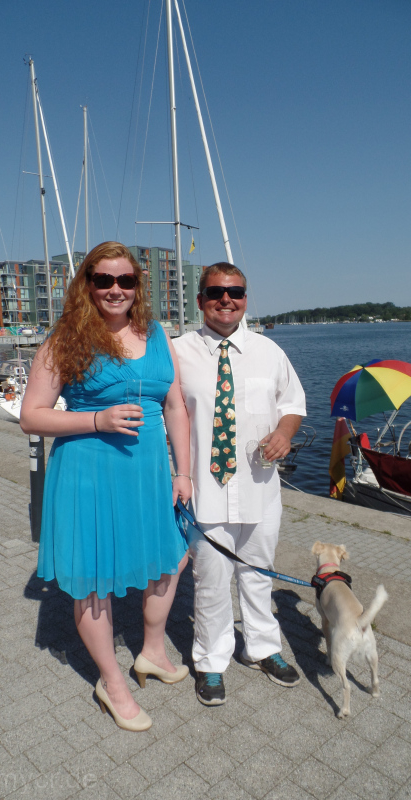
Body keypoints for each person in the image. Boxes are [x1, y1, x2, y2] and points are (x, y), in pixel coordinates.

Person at [21, 241, 192, 731]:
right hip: (88, 474)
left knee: (171, 557)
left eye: (126, 280)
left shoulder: (157, 334)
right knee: (94, 580)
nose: (116, 289)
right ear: (88, 285)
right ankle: (111, 682)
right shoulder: (66, 338)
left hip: (148, 475)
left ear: (138, 285)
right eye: (104, 280)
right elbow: (31, 416)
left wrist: (183, 472)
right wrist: (97, 419)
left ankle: (152, 651)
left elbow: (175, 406)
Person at [173, 262, 306, 706]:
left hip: (260, 487)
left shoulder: (270, 352)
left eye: (235, 292)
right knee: (210, 579)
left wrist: (284, 432)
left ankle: (262, 648)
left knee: (259, 573)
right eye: (216, 292)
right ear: (200, 300)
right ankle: (211, 661)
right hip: (204, 491)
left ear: (246, 299)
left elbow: (293, 404)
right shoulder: (177, 353)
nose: (226, 299)